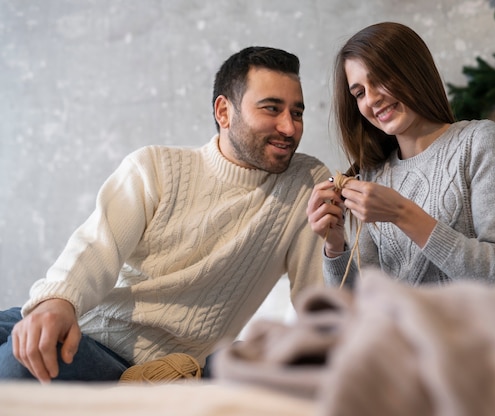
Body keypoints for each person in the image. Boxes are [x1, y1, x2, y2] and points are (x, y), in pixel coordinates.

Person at [0, 46, 331, 382]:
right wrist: (57, 302)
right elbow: (96, 247)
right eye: (272, 109)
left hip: (131, 364)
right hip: (84, 322)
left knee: (14, 368)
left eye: (297, 113)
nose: (289, 128)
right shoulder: (155, 167)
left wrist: (337, 244)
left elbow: (320, 304)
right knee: (17, 337)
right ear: (224, 112)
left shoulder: (306, 184)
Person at [306, 22, 495, 288]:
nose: (372, 99)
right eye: (360, 92)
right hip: (397, 331)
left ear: (414, 71)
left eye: (380, 79)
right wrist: (335, 244)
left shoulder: (479, 143)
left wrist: (402, 213)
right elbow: (360, 307)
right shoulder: (375, 175)